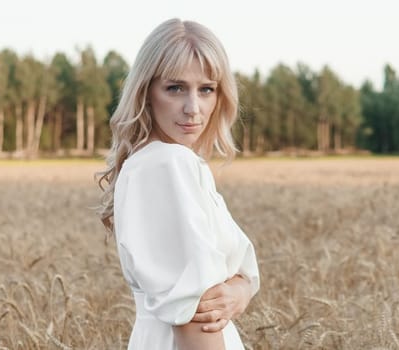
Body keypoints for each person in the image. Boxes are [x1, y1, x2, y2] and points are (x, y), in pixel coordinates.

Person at [96, 18, 260, 349]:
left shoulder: (167, 163)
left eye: (206, 90)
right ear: (146, 91)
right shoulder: (168, 165)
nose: (193, 108)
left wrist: (240, 290)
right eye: (175, 88)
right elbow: (195, 315)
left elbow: (232, 282)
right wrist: (235, 289)